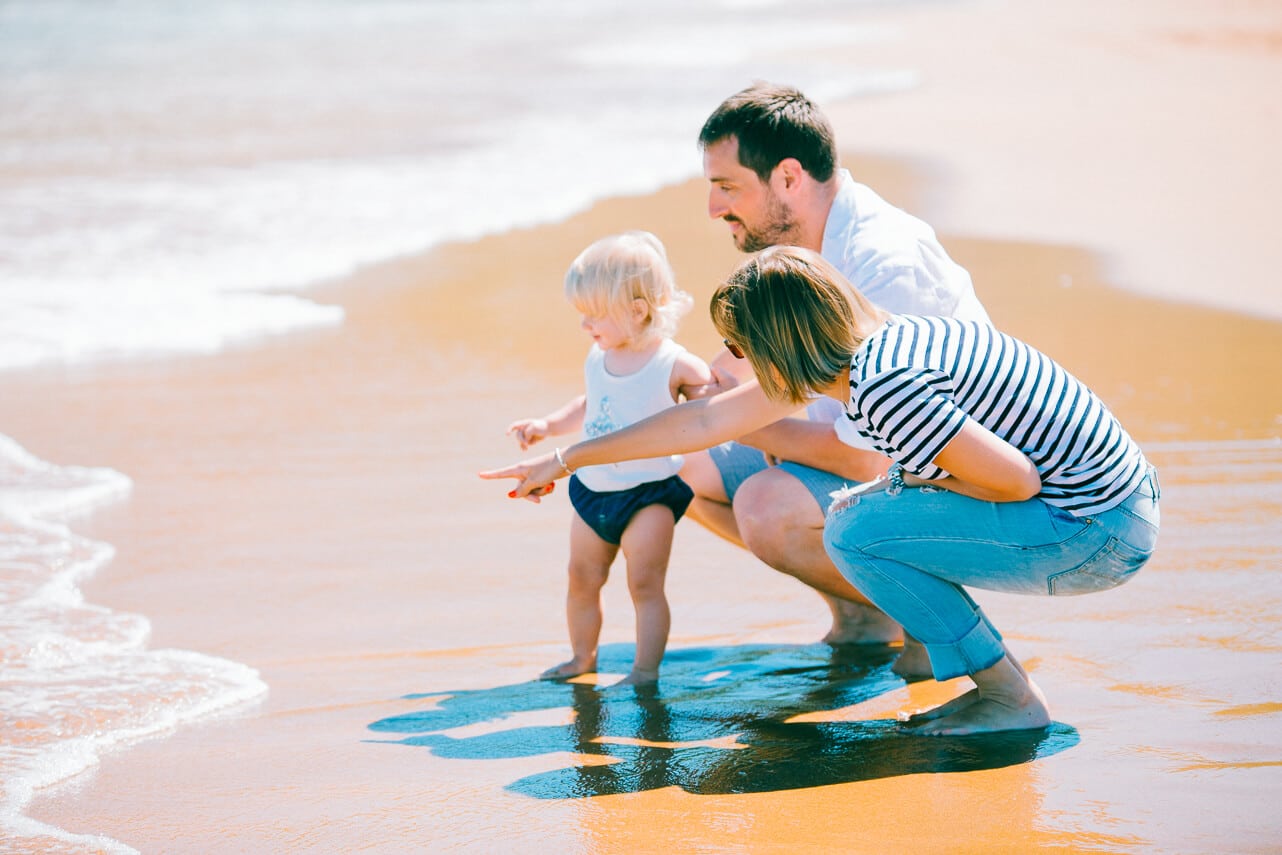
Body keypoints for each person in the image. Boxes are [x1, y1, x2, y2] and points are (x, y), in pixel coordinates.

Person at [482, 247, 1159, 734]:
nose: (732, 362)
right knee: (867, 515)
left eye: (740, 345)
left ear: (780, 343)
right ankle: (967, 667)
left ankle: (1009, 695)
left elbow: (1019, 479)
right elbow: (701, 422)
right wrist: (565, 457)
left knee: (856, 527)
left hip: (1096, 528)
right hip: (1108, 507)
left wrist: (908, 480)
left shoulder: (884, 383)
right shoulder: (871, 351)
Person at [681, 81, 990, 651]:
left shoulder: (884, 263)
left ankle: (937, 619)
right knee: (684, 470)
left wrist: (744, 425)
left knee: (766, 505)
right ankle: (868, 614)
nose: (713, 208)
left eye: (727, 187)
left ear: (789, 177)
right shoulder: (808, 247)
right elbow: (742, 362)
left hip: (948, 484)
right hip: (859, 446)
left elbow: (871, 455)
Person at [501, 231, 719, 687]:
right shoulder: (599, 355)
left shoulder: (673, 363)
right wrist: (547, 425)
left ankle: (644, 671)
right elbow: (590, 403)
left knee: (644, 584)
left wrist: (712, 391)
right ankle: (583, 657)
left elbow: (714, 404)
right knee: (582, 577)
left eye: (593, 314)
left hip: (649, 493)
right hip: (594, 487)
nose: (584, 325)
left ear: (637, 311)